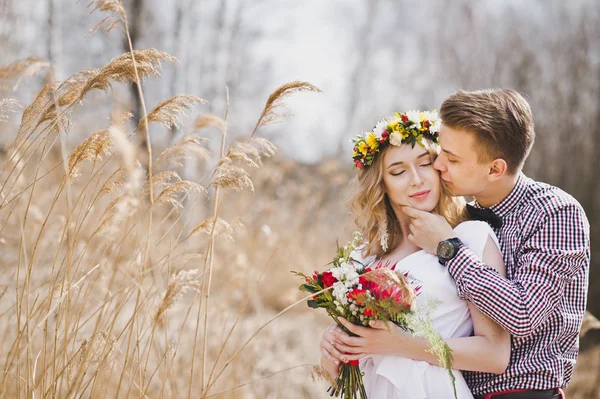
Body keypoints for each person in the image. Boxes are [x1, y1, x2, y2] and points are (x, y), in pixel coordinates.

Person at [395, 89, 590, 399]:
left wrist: (449, 248)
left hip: (523, 392)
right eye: (440, 151)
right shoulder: (456, 216)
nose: (439, 165)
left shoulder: (555, 212)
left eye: (453, 158)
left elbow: (523, 314)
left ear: (495, 169)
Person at [319, 111, 511, 399]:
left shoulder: (469, 238)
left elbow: (495, 355)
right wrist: (332, 349)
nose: (417, 180)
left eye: (425, 164)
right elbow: (338, 379)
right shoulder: (361, 258)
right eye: (398, 172)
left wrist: (400, 344)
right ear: (381, 184)